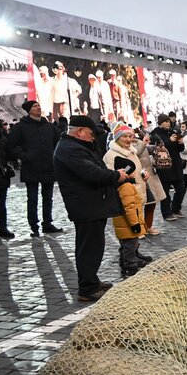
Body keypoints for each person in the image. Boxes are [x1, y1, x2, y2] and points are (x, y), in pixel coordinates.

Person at [53, 115, 128, 301]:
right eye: (91, 134)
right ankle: (87, 287)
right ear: (80, 131)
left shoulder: (75, 146)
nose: (93, 137)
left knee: (93, 245)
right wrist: (115, 176)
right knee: (89, 247)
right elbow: (91, 173)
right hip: (85, 205)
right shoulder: (70, 150)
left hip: (90, 203)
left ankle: (91, 280)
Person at [6, 100, 64, 237]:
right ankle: (34, 225)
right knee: (32, 198)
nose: (38, 107)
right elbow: (12, 145)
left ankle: (47, 223)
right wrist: (25, 156)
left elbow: (58, 143)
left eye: (39, 105)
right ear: (28, 110)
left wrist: (54, 156)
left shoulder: (49, 126)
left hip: (48, 166)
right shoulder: (21, 127)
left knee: (48, 197)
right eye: (35, 106)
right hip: (31, 166)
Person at [110, 155, 150, 277]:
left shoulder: (122, 185)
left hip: (123, 224)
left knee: (125, 245)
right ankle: (130, 267)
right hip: (128, 224)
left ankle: (124, 263)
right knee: (130, 246)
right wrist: (135, 224)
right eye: (133, 171)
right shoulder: (126, 187)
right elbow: (130, 208)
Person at [149, 114, 186, 221]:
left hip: (176, 165)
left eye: (169, 121)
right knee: (165, 191)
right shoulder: (155, 134)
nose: (168, 123)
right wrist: (169, 141)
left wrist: (180, 143)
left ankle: (175, 208)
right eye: (165, 121)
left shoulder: (173, 132)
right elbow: (157, 148)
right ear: (160, 123)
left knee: (181, 188)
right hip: (164, 166)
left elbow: (180, 149)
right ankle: (166, 213)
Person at [134, 128, 165, 235]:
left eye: (131, 134)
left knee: (151, 203)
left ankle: (148, 226)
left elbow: (146, 150)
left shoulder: (138, 142)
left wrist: (158, 145)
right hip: (139, 177)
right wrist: (143, 143)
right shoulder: (126, 146)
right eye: (127, 135)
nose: (130, 137)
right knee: (139, 204)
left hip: (150, 175)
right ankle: (139, 228)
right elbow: (136, 153)